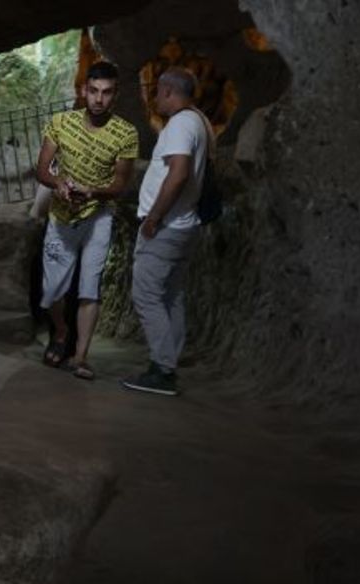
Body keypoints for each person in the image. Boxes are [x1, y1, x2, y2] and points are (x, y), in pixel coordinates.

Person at [35, 61, 139, 379]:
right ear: (84, 90)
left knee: (89, 288)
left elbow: (121, 184)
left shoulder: (126, 133)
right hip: (61, 215)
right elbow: (41, 170)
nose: (99, 99)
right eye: (93, 91)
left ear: (115, 95)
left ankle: (80, 356)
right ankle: (62, 331)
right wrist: (60, 184)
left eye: (106, 93)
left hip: (99, 216)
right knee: (52, 291)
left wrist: (93, 191)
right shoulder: (61, 122)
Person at [122, 67, 211, 396]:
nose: (154, 99)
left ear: (170, 92)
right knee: (171, 297)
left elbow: (178, 173)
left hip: (166, 227)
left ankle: (162, 370)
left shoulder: (180, 124)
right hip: (184, 225)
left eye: (158, 93)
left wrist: (154, 217)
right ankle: (167, 365)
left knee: (146, 295)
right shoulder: (198, 121)